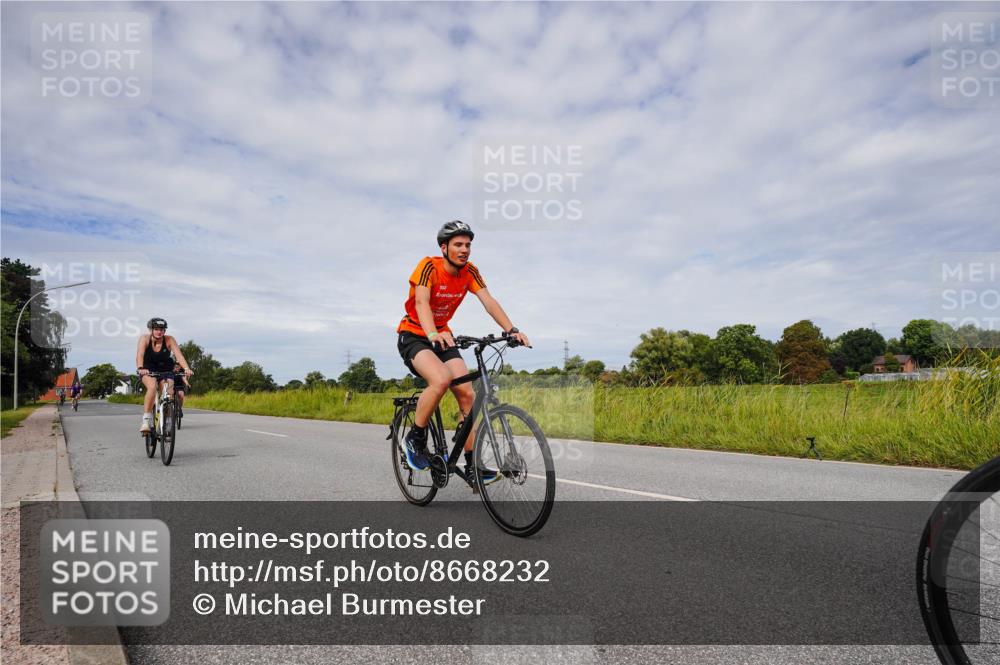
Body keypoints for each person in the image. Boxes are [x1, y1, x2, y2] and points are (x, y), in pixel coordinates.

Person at [396, 220, 530, 486]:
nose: (464, 249)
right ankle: (416, 438)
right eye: (458, 244)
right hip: (414, 335)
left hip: (444, 337)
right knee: (441, 380)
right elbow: (422, 302)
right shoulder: (428, 266)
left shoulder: (470, 272)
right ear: (444, 248)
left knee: (468, 395)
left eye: (468, 245)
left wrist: (511, 329)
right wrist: (432, 334)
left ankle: (472, 465)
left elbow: (489, 301)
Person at [135, 317, 193, 433]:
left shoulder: (169, 339)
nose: (159, 331)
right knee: (152, 388)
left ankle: (167, 421)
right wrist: (141, 368)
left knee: (169, 393)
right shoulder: (145, 339)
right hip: (148, 368)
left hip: (165, 368)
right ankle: (146, 420)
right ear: (151, 330)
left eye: (162, 329)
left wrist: (186, 368)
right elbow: (140, 354)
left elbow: (179, 356)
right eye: (156, 329)